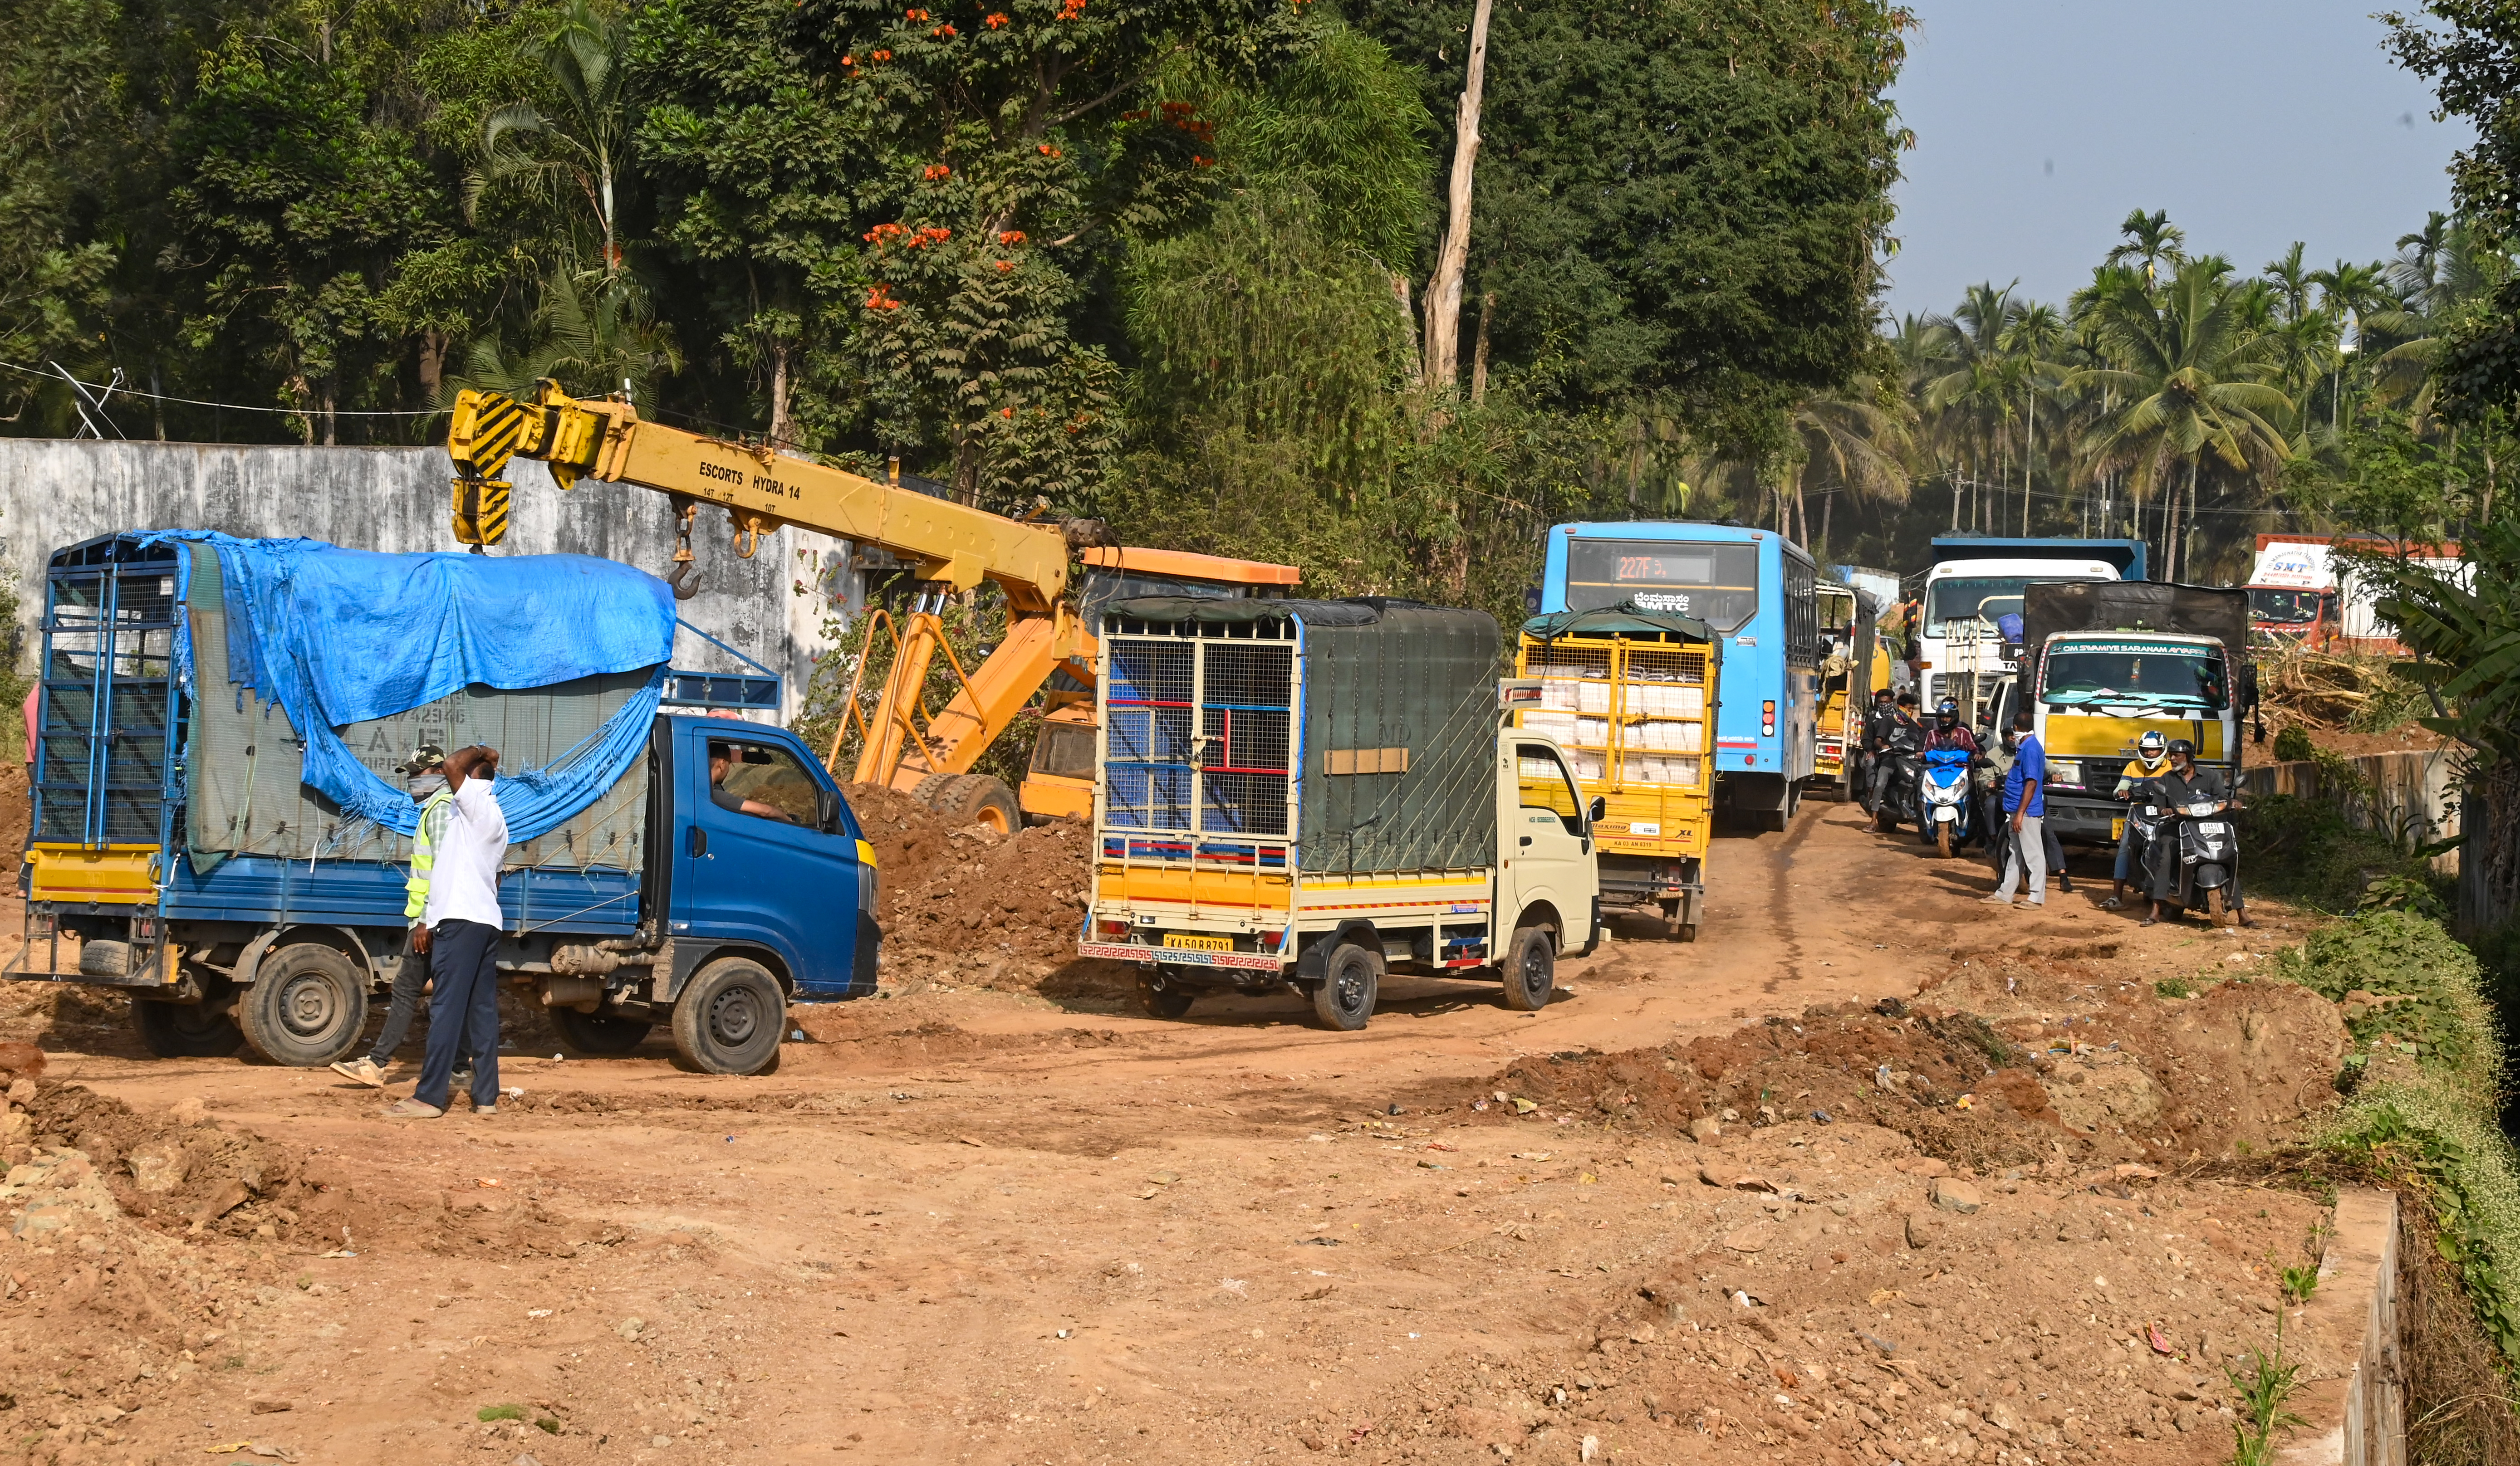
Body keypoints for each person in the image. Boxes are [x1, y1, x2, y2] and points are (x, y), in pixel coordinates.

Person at [331, 745, 469, 1087]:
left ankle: (377, 1064)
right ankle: (460, 1068)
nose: (411, 782)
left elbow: (444, 869)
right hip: (437, 919)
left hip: (432, 921)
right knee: (450, 994)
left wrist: (425, 921)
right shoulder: (439, 808)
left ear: (438, 773)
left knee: (407, 989)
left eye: (416, 774)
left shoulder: (440, 811)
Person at [386, 744, 508, 1119]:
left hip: (460, 920)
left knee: (446, 1010)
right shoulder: (497, 819)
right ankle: (486, 1097)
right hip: (486, 921)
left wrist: (483, 750)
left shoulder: (473, 803)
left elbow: (453, 763)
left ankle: (429, 1098)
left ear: (472, 780)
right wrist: (489, 761)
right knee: (482, 1013)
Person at [2138, 738, 2252, 928]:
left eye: (2177, 755)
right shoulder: (2167, 778)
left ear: (2189, 757)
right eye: (2171, 755)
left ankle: (2242, 914)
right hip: (2175, 829)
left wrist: (2233, 803)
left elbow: (2223, 798)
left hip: (2206, 827)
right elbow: (2158, 804)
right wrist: (2164, 811)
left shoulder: (2209, 776)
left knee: (2228, 856)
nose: (2173, 759)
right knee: (2166, 857)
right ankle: (2156, 911)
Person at [2102, 731, 2171, 911]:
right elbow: (2121, 787)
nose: (2149, 754)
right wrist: (2122, 792)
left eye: (2154, 750)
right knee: (2125, 847)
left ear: (2162, 750)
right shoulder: (2132, 767)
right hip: (2138, 813)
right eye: (2146, 750)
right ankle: (2117, 896)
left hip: (2164, 815)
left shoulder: (2171, 768)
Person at [1986, 711, 2047, 907]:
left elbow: (2031, 784)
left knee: (2033, 853)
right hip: (2017, 811)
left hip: (2027, 812)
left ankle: (2037, 897)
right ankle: (2005, 893)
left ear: (2017, 728)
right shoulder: (2025, 747)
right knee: (2016, 852)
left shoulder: (2031, 749)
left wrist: (2020, 814)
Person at [1866, 692, 1923, 816]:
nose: (1911, 712)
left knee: (1920, 781)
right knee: (1880, 784)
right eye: (1909, 709)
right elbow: (1877, 740)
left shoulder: (1913, 726)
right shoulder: (1888, 721)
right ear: (1901, 707)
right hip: (1890, 759)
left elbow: (1920, 740)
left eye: (1913, 709)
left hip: (1906, 761)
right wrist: (1883, 746)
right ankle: (1873, 820)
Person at [708, 741, 792, 821]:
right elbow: (766, 811)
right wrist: (788, 819)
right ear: (722, 764)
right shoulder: (715, 795)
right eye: (729, 764)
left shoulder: (703, 790)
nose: (729, 769)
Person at [1855, 687, 1898, 812]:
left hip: (1896, 754)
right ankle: (1871, 794)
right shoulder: (1873, 718)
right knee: (1871, 762)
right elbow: (1866, 739)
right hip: (1878, 753)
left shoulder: (1898, 718)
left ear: (1891, 702)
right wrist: (1870, 750)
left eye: (1886, 702)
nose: (1884, 705)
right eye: (1881, 703)